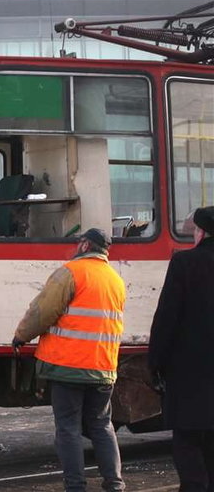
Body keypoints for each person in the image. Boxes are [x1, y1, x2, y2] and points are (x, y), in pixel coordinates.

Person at [13, 228, 126, 492]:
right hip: (104, 367)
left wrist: (21, 336)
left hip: (69, 366)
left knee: (68, 428)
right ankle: (115, 483)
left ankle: (76, 486)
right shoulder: (115, 280)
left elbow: (42, 311)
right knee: (101, 425)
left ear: (86, 245)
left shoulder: (71, 272)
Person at [149, 206, 214, 491]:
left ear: (201, 233)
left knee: (188, 442)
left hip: (191, 373)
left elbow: (166, 318)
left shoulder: (185, 264)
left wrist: (155, 363)